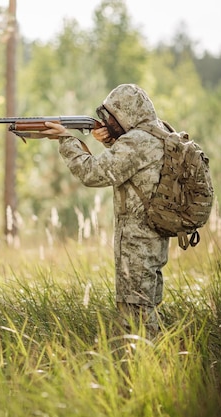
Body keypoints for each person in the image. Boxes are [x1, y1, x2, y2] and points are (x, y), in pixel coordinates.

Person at [42, 84, 170, 334]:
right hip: (151, 238)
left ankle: (141, 366)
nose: (108, 121)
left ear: (127, 114)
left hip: (137, 242)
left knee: (135, 315)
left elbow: (93, 174)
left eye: (113, 116)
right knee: (145, 309)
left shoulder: (137, 140)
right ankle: (154, 361)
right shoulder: (155, 133)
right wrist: (111, 143)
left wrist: (66, 140)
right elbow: (134, 168)